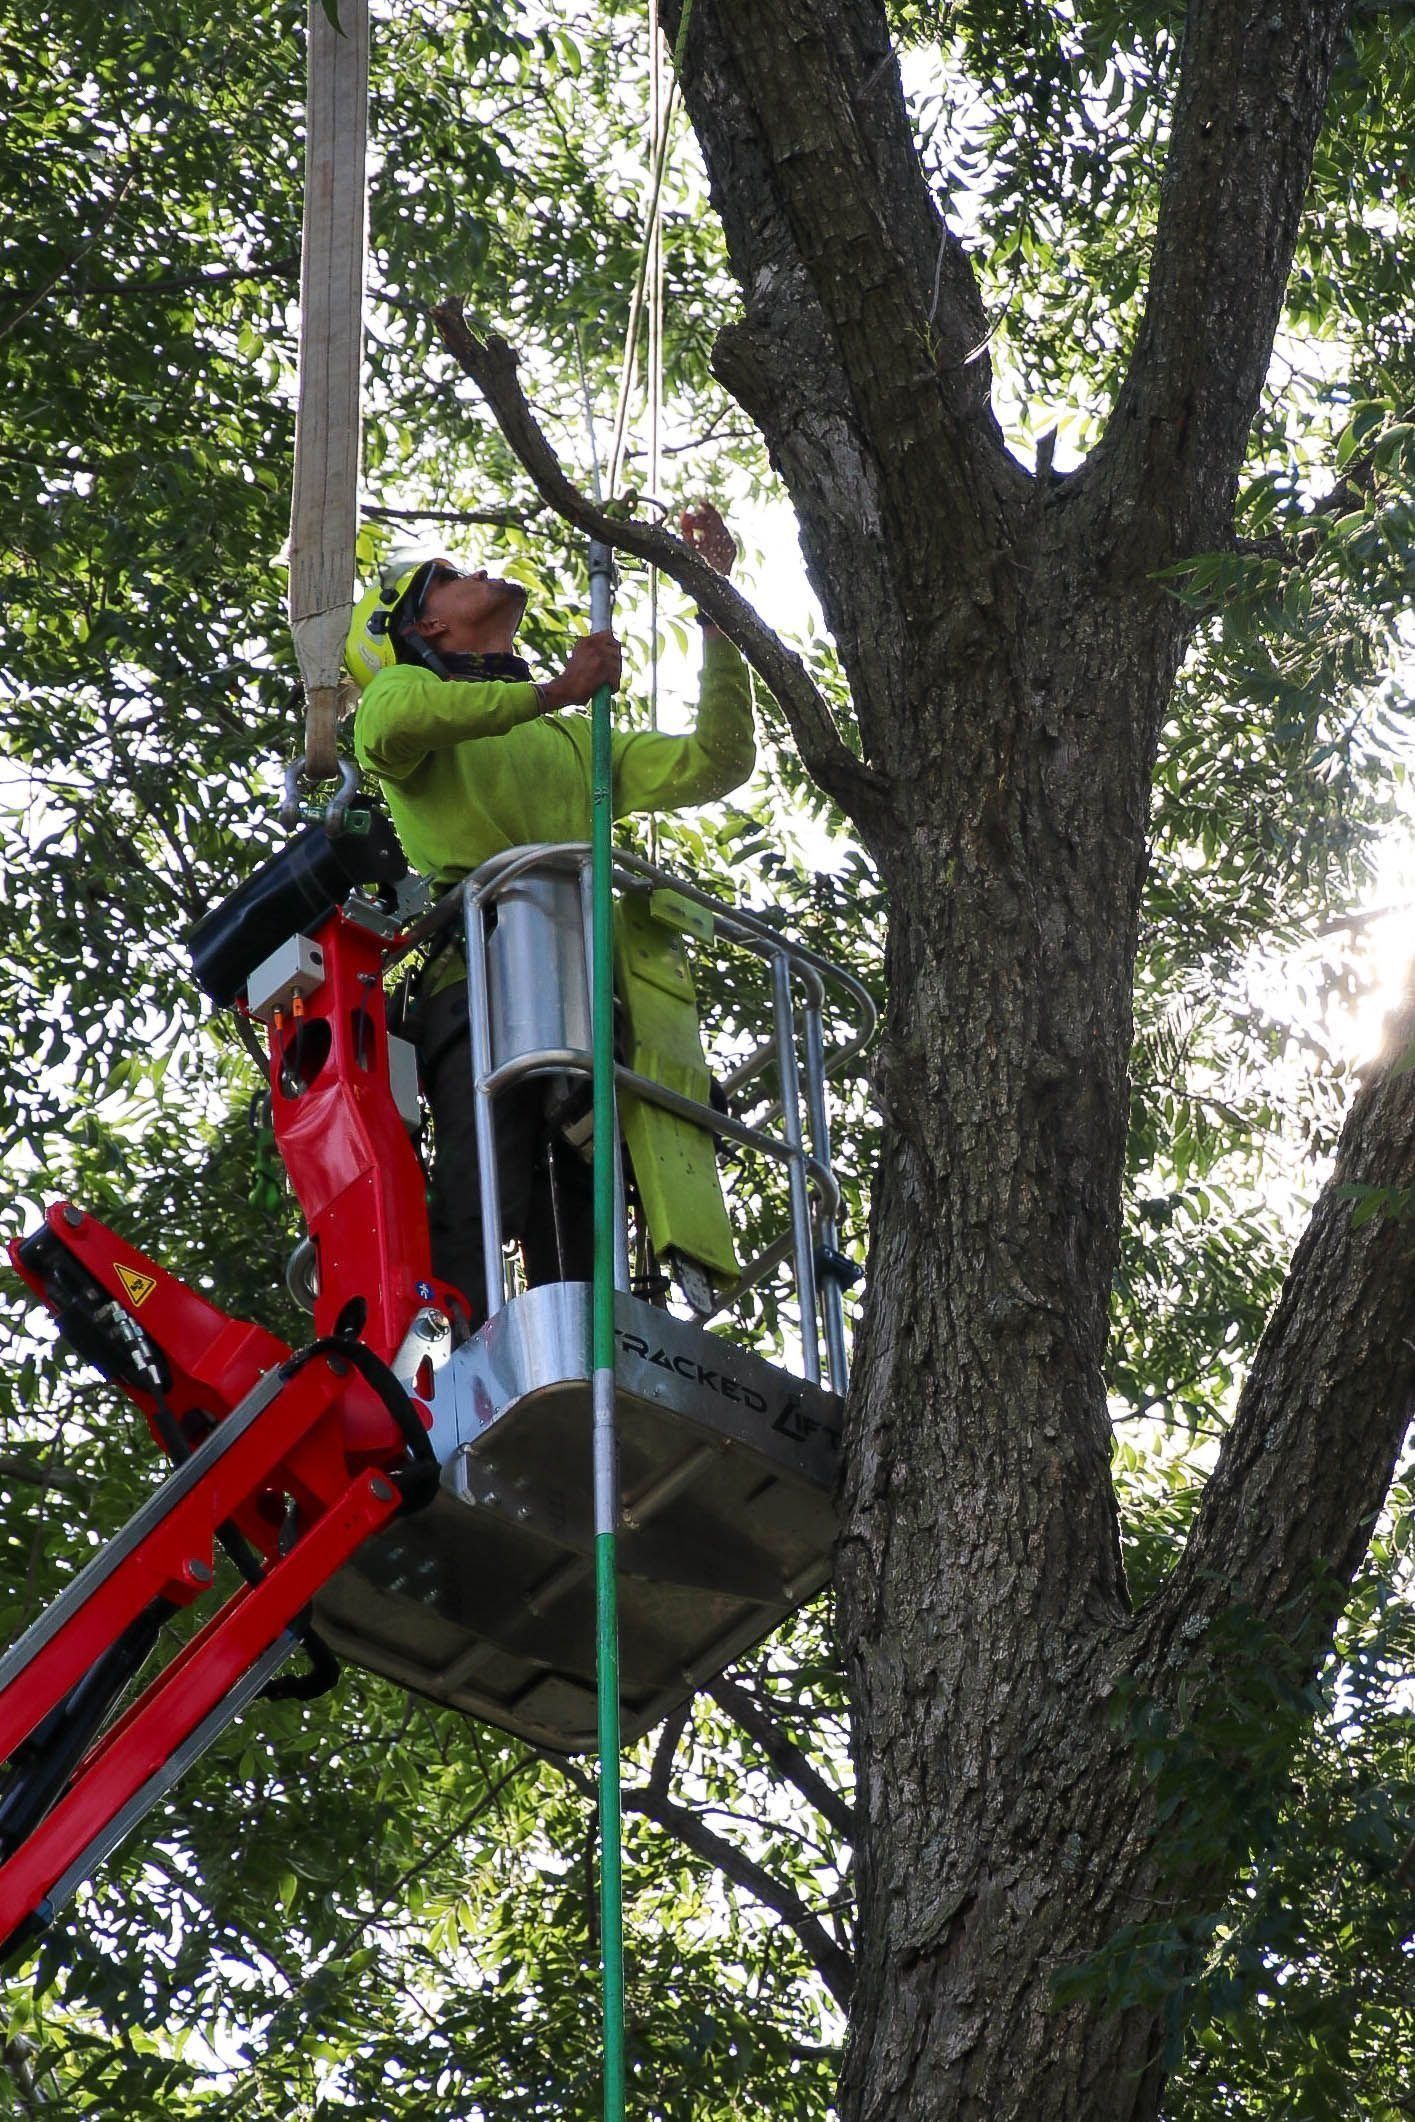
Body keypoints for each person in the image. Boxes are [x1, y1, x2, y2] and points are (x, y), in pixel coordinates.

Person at [346, 503, 753, 1321]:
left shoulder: (576, 738)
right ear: (424, 621)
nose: (476, 574)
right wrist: (556, 689)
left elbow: (716, 764)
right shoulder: (408, 696)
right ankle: (456, 1356)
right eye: (452, 578)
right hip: (480, 981)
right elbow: (389, 722)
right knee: (484, 1183)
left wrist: (716, 615)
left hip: (582, 991)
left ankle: (588, 1343)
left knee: (580, 1204)